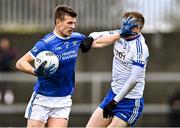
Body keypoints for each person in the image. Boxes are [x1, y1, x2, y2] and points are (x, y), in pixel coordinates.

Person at [16, 5, 93, 127]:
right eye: (69, 23)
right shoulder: (45, 43)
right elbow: (20, 63)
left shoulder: (76, 38)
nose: (73, 26)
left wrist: (119, 34)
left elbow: (97, 41)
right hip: (42, 99)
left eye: (74, 23)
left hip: (63, 100)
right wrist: (36, 71)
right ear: (58, 22)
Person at [86, 11, 149, 127]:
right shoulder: (119, 35)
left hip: (130, 102)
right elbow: (97, 37)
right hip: (112, 94)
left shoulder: (140, 49)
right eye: (123, 24)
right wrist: (90, 38)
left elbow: (133, 80)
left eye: (128, 25)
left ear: (138, 29)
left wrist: (115, 102)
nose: (124, 29)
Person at [0, 38, 17, 104]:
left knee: (8, 89)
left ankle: (9, 104)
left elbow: (15, 61)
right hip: (1, 73)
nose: (4, 44)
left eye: (5, 43)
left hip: (9, 73)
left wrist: (11, 64)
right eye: (3, 43)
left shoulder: (11, 51)